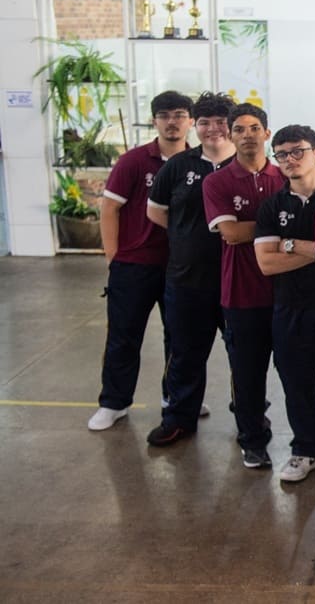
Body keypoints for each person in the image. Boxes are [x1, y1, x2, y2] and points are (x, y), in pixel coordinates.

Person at [88, 91, 192, 432]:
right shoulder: (133, 161)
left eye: (179, 115)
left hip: (180, 268)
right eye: (165, 115)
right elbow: (110, 209)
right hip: (134, 266)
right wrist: (114, 257)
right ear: (154, 121)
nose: (172, 122)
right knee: (124, 336)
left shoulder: (197, 163)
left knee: (180, 338)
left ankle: (175, 398)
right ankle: (114, 402)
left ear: (190, 121)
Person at [254, 125, 315, 482]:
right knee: (296, 382)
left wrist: (290, 244)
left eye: (298, 151)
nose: (290, 159)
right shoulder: (272, 206)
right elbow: (267, 263)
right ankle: (308, 448)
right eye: (282, 154)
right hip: (290, 308)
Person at [144, 91, 235, 445]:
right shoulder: (178, 166)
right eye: (205, 122)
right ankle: (179, 418)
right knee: (184, 353)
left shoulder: (246, 166)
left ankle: (250, 420)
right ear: (195, 126)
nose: (213, 129)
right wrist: (187, 235)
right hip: (187, 280)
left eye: (220, 122)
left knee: (244, 357)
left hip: (238, 282)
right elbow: (156, 211)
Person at [202, 103, 286, 469]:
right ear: (230, 135)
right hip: (241, 295)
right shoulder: (217, 182)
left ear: (267, 133)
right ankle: (252, 440)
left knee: (297, 373)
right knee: (248, 375)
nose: (247, 135)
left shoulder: (285, 175)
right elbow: (232, 233)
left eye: (254, 128)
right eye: (239, 129)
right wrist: (281, 225)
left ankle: (312, 436)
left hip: (287, 294)